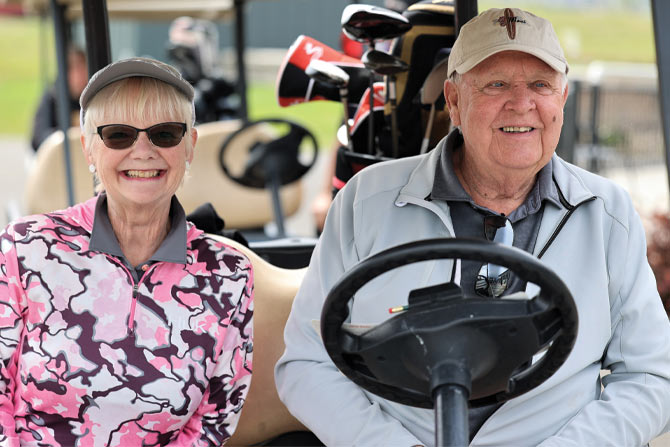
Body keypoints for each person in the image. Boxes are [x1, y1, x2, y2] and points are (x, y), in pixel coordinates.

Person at [276, 7, 670, 446]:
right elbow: (308, 364)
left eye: (540, 85)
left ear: (562, 98)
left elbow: (650, 375)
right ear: (454, 100)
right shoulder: (366, 200)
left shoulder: (606, 212)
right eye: (496, 83)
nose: (521, 103)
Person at [0, 57, 254, 446]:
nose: (143, 150)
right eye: (118, 135)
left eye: (165, 133)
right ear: (88, 149)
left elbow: (213, 420)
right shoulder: (24, 248)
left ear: (189, 146)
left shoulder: (230, 274)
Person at [30, 45, 89, 152]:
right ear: (66, 73)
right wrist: (69, 133)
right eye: (77, 69)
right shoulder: (52, 98)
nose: (82, 75)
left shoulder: (90, 99)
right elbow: (40, 138)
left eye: (83, 68)